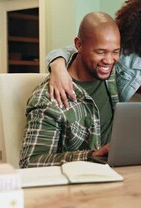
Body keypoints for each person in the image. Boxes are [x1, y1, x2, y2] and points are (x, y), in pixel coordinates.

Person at [19, 12, 121, 168]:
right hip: (76, 184)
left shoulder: (112, 75)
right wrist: (91, 156)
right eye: (100, 52)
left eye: (115, 52)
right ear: (79, 45)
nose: (109, 60)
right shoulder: (48, 99)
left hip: (119, 172)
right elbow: (31, 161)